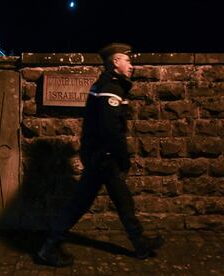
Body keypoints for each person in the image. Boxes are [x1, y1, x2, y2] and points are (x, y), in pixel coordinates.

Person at [35, 43, 163, 267]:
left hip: (101, 156)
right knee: (83, 203)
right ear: (115, 62)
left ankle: (140, 243)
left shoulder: (110, 85)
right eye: (127, 60)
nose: (131, 65)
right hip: (104, 157)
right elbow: (110, 127)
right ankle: (49, 247)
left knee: (120, 201)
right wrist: (122, 158)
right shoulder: (110, 87)